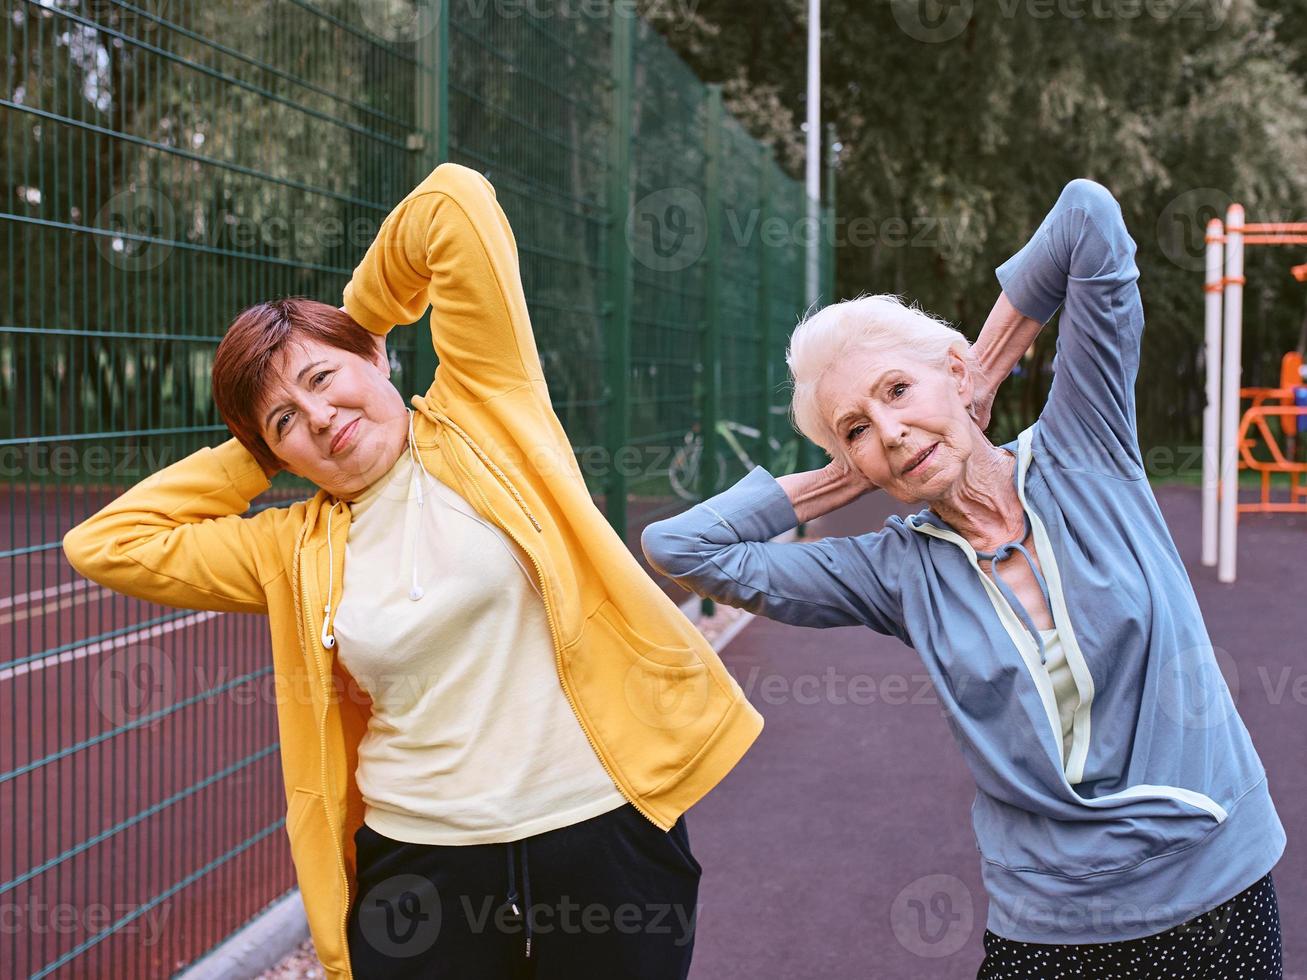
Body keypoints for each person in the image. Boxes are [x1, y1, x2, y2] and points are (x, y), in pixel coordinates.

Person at [63, 163, 764, 979]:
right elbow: (107, 543)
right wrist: (252, 456)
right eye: (285, 420)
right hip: (423, 871)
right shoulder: (286, 548)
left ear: (375, 359)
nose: (320, 418)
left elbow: (452, 201)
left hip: (601, 834)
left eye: (323, 377)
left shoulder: (486, 412)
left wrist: (356, 321)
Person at [642, 179, 1285, 978]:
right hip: (1053, 927)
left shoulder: (1085, 446)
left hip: (1214, 885)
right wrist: (847, 475)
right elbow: (680, 548)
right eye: (857, 428)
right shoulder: (892, 570)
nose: (890, 430)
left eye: (898, 390)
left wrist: (981, 370)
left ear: (951, 369)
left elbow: (1087, 216)